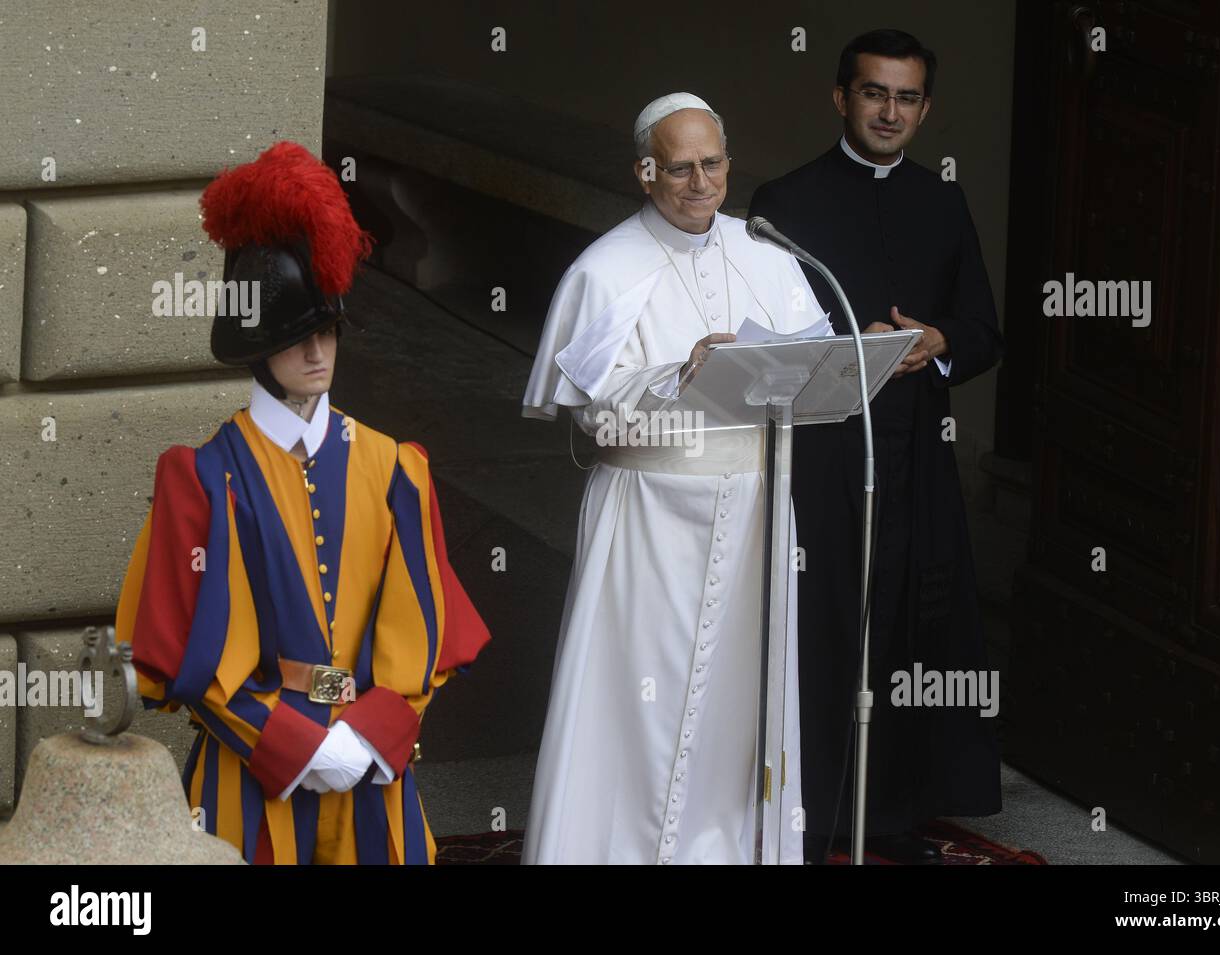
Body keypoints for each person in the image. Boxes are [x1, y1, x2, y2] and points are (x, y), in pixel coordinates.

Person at [114, 141, 490, 864]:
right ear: (258, 348)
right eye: (295, 338)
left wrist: (365, 736)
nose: (318, 352)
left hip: (372, 773)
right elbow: (199, 656)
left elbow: (420, 634)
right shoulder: (204, 478)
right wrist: (293, 745)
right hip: (248, 778)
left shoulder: (394, 468)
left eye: (326, 332)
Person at [521, 93, 826, 864]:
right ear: (645, 172)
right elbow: (591, 417)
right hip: (648, 520)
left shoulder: (770, 254)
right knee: (632, 707)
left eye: (713, 163)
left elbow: (816, 366)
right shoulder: (606, 269)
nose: (700, 183)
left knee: (738, 712)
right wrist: (676, 373)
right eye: (680, 167)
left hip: (756, 514)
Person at [749, 29, 1003, 864]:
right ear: (840, 97)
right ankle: (807, 807)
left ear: (924, 110)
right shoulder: (782, 205)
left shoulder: (943, 202)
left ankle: (892, 813)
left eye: (906, 98)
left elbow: (983, 330)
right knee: (820, 623)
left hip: (916, 455)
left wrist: (936, 341)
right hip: (822, 457)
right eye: (872, 93)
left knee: (906, 628)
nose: (889, 112)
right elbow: (758, 340)